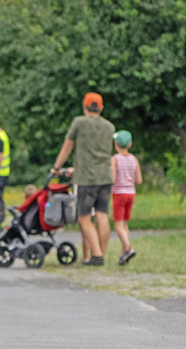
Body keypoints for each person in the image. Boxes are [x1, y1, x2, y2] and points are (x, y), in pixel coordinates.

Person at [51, 92, 115, 266]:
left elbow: (67, 147)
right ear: (100, 108)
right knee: (102, 215)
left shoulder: (79, 123)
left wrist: (57, 168)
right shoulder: (109, 127)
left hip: (87, 178)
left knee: (84, 217)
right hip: (105, 176)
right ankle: (102, 253)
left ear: (84, 106)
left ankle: (96, 255)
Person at [111, 130, 142, 265]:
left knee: (118, 225)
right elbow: (139, 180)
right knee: (124, 224)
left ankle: (128, 248)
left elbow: (112, 178)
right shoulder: (134, 159)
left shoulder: (115, 159)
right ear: (130, 144)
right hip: (131, 193)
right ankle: (123, 255)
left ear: (115, 144)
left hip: (119, 194)